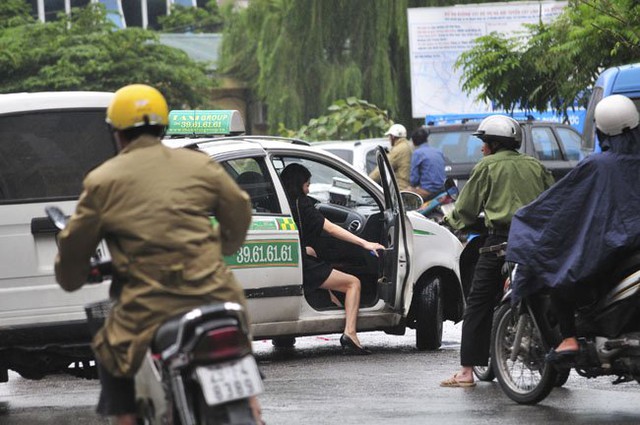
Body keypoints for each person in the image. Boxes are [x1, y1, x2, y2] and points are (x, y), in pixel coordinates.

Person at [53, 84, 260, 424]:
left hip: (148, 307)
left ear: (116, 134)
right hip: (217, 294)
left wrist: (71, 276)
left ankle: (127, 419)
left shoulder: (103, 180)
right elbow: (239, 208)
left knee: (110, 348)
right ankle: (252, 404)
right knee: (238, 344)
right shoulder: (198, 164)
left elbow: (75, 249)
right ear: (162, 126)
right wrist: (223, 247)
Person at [507, 94, 640, 363]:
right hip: (631, 248)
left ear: (601, 130)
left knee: (559, 269)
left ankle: (569, 338)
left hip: (614, 248)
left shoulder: (598, 165)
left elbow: (560, 206)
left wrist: (527, 220)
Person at [439, 115, 554, 387]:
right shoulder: (535, 165)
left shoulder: (487, 167)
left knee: (478, 302)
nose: (481, 148)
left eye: (484, 142)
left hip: (500, 244)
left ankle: (466, 373)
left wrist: (450, 221)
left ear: (493, 143)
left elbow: (466, 210)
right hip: (535, 245)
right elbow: (553, 200)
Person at [280, 163, 385, 355]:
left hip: (293, 258)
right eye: (307, 185)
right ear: (299, 185)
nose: (309, 189)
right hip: (302, 265)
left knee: (318, 261)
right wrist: (365, 243)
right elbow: (331, 229)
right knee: (353, 283)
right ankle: (350, 334)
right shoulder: (303, 204)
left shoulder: (281, 202)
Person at [369, 123, 412, 190]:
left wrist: (369, 181)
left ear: (393, 137)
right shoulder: (409, 145)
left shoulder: (398, 149)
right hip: (410, 187)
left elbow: (382, 168)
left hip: (401, 188)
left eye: (389, 136)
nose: (389, 139)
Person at [408, 126, 446, 201]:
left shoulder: (417, 153)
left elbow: (414, 180)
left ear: (414, 141)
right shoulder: (438, 152)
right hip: (442, 190)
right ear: (426, 139)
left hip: (427, 191)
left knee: (404, 193)